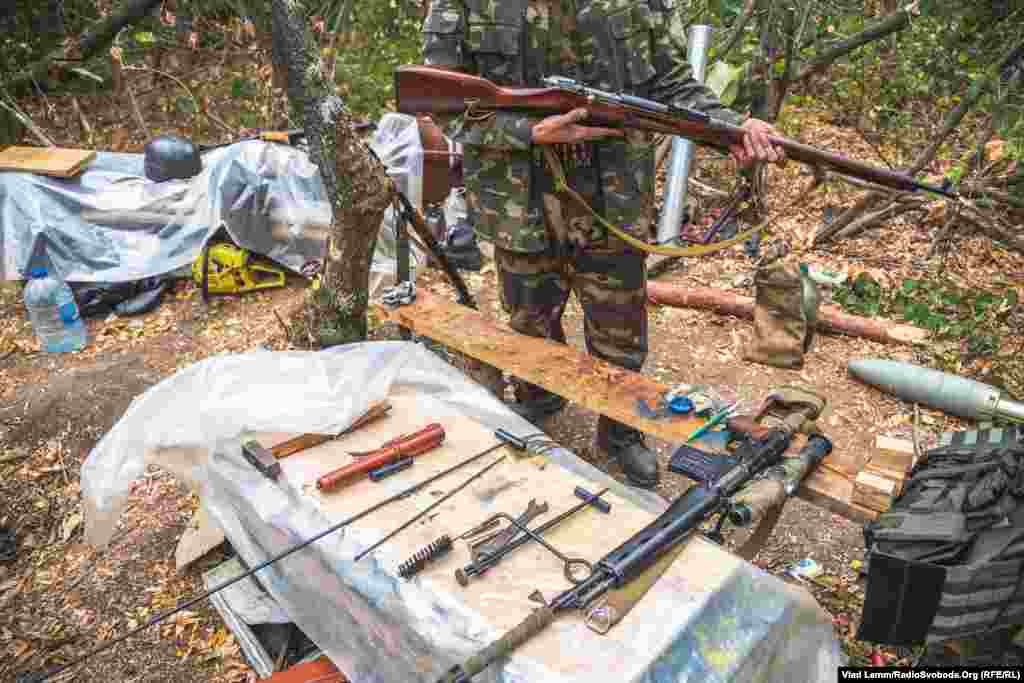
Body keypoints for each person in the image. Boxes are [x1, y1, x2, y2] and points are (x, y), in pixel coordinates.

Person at [420, 0, 785, 488]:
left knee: (620, 332)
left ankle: (620, 430)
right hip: (519, 201)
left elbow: (672, 83)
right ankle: (540, 399)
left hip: (614, 198)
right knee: (530, 320)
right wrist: (527, 130)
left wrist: (730, 127)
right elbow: (439, 98)